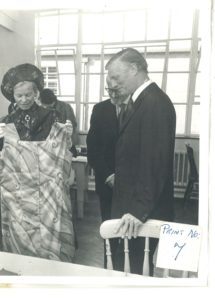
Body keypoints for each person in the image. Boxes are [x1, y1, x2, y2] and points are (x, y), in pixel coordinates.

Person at [105, 48, 176, 275]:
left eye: (116, 77)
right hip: (132, 206)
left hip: (140, 211)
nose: (113, 84)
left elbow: (155, 162)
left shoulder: (154, 103)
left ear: (135, 69)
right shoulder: (141, 101)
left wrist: (138, 211)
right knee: (127, 270)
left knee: (133, 273)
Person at [0, 63, 76, 262]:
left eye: (28, 94)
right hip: (16, 194)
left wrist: (64, 138)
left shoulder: (52, 117)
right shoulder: (6, 122)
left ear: (35, 93)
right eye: (19, 96)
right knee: (20, 241)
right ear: (12, 96)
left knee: (49, 240)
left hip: (47, 191)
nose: (24, 99)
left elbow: (63, 154)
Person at [87, 79, 129, 267]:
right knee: (109, 231)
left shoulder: (139, 109)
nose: (112, 94)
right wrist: (108, 175)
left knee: (131, 235)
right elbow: (93, 148)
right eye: (108, 90)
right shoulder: (100, 109)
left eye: (116, 90)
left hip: (132, 183)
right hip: (107, 183)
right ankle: (109, 268)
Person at [40, 88, 78, 157]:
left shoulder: (66, 107)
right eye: (45, 106)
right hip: (47, 145)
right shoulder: (40, 108)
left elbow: (73, 125)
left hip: (65, 144)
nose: (47, 108)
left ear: (54, 100)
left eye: (49, 106)